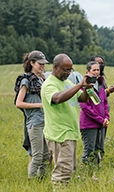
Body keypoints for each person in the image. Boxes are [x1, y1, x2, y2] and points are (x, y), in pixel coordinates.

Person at [41, 54, 91, 184]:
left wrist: (86, 89)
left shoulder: (68, 83)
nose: (68, 73)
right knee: (62, 172)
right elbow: (56, 98)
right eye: (66, 69)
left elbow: (82, 99)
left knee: (70, 169)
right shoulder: (49, 84)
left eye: (70, 70)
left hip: (70, 132)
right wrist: (79, 85)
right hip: (60, 134)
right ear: (56, 67)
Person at [14, 50, 51, 179]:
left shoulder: (42, 80)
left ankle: (43, 180)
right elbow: (19, 103)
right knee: (37, 155)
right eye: (39, 63)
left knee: (46, 156)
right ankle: (32, 182)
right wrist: (40, 105)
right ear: (32, 63)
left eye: (43, 64)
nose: (42, 66)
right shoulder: (26, 80)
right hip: (34, 123)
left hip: (45, 121)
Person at [79, 61, 110, 164]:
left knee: (99, 149)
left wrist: (106, 118)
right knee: (89, 150)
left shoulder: (100, 84)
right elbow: (85, 107)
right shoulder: (84, 85)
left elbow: (105, 103)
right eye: (94, 70)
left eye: (98, 70)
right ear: (88, 72)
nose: (96, 72)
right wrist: (100, 119)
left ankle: (96, 171)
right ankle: (85, 172)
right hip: (89, 124)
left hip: (101, 124)